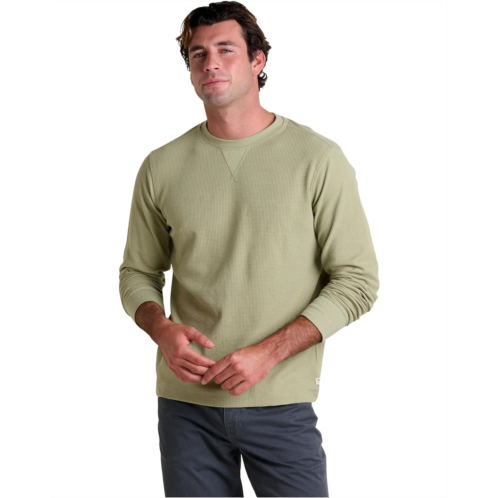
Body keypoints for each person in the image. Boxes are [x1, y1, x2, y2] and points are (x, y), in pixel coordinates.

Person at [118, 1, 379, 496]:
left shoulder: (317, 159)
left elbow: (357, 281)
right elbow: (137, 273)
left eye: (226, 50)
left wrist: (268, 353)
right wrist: (162, 330)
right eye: (198, 54)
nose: (210, 64)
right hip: (185, 407)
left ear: (258, 61)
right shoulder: (161, 166)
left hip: (280, 403)